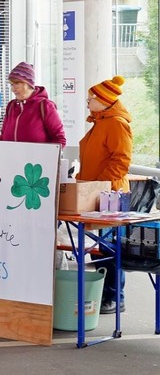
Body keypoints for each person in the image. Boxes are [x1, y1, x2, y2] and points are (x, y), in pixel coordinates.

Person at [76, 75, 132, 314]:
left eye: (91, 99)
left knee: (110, 247)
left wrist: (101, 185)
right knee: (104, 246)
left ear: (102, 100)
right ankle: (107, 295)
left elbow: (121, 160)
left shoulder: (116, 123)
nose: (88, 102)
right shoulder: (100, 122)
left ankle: (115, 297)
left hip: (111, 195)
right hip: (96, 192)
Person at [0, 62, 66, 146]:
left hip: (38, 159)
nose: (13, 89)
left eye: (17, 83)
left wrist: (45, 157)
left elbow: (59, 139)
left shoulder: (45, 106)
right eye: (11, 84)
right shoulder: (11, 106)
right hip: (10, 158)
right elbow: (2, 137)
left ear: (28, 84)